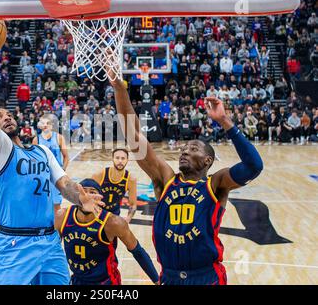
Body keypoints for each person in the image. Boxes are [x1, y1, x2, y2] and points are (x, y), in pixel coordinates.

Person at [0, 25, 104, 285]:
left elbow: (64, 184)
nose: (5, 118)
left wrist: (80, 199)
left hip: (50, 243)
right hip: (15, 244)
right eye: (0, 116)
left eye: (9, 114)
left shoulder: (42, 150)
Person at [109, 71, 263, 285]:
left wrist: (225, 121)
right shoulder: (166, 180)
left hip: (206, 277)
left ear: (208, 161)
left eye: (193, 148)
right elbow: (132, 135)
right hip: (170, 277)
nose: (184, 152)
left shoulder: (215, 184)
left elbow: (253, 166)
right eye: (183, 148)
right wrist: (119, 88)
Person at [55, 179, 159, 285]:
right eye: (84, 191)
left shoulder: (113, 222)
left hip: (106, 282)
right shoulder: (62, 216)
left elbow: (138, 251)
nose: (88, 196)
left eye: (92, 192)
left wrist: (157, 280)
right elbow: (54, 250)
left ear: (100, 198)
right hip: (77, 280)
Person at [91, 149, 137, 224]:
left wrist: (128, 218)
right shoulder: (99, 175)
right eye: (117, 158)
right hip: (97, 212)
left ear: (127, 160)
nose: (120, 161)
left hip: (114, 214)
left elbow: (133, 204)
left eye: (123, 158)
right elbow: (88, 196)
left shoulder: (130, 179)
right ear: (112, 159)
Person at [33, 117, 69, 212]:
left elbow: (66, 157)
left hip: (56, 177)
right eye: (43, 123)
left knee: (57, 206)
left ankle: (56, 226)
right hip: (43, 176)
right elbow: (34, 160)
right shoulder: (36, 140)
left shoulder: (59, 137)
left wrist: (62, 171)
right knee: (43, 205)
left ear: (52, 125)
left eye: (48, 123)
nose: (45, 125)